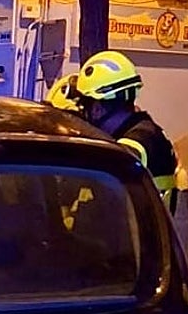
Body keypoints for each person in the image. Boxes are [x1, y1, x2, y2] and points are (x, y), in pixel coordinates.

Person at [71, 50, 180, 211]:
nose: (84, 114)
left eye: (85, 106)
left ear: (97, 108)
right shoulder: (145, 131)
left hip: (137, 234)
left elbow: (108, 173)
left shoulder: (139, 140)